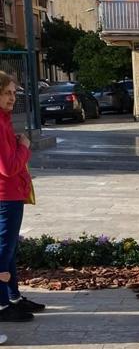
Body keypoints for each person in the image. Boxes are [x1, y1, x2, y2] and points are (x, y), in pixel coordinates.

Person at [0, 71, 45, 322]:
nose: (12, 97)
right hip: (6, 196)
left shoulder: (4, 119)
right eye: (7, 92)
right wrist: (24, 147)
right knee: (3, 252)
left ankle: (13, 297)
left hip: (11, 195)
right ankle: (3, 306)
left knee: (9, 248)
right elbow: (8, 167)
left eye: (14, 92)